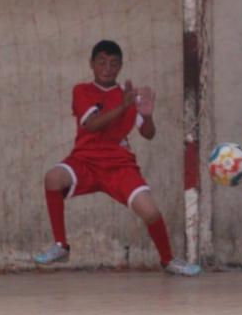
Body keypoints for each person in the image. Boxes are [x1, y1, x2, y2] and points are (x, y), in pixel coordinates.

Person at [33, 39, 201, 276]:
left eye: (113, 64)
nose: (107, 68)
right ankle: (61, 246)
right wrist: (123, 107)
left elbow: (148, 134)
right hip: (85, 161)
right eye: (101, 62)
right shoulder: (82, 90)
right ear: (92, 64)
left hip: (119, 166)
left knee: (151, 212)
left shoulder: (128, 96)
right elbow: (92, 125)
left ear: (120, 66)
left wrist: (147, 116)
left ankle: (168, 261)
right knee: (53, 178)